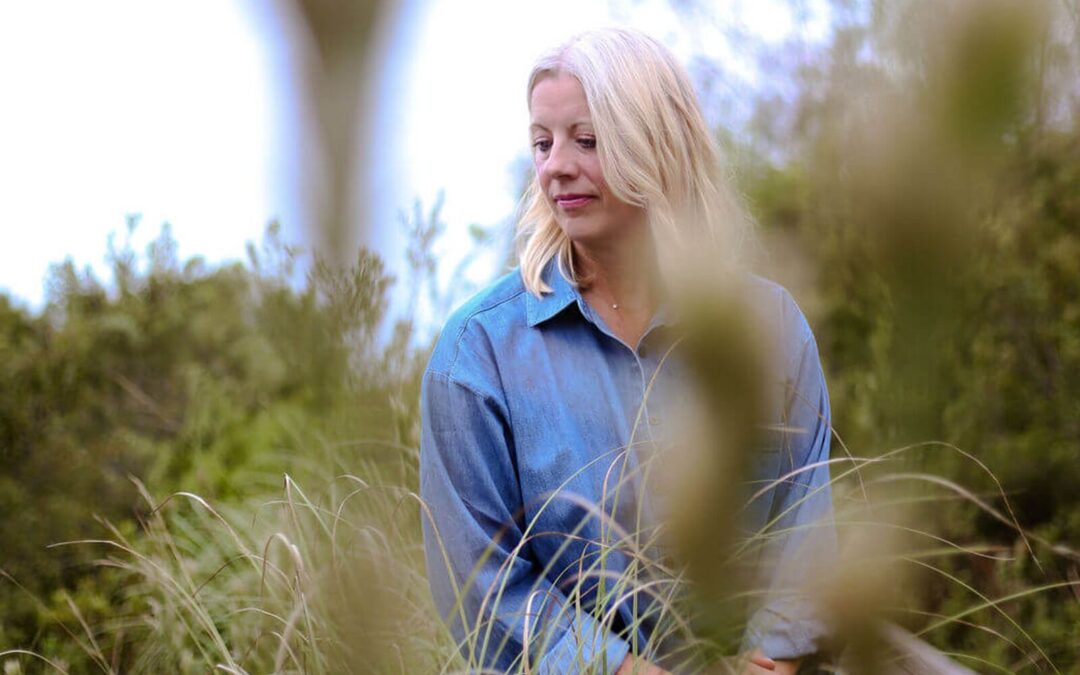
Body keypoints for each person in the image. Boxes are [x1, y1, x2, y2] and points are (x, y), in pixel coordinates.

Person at [419, 28, 835, 674]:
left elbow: (805, 520)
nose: (555, 165)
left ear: (659, 144)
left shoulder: (769, 327)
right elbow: (479, 584)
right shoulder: (476, 357)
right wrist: (616, 668)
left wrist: (773, 654)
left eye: (586, 140)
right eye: (542, 142)